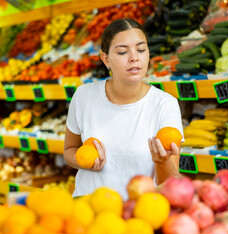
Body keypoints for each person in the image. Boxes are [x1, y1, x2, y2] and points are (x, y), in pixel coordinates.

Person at [64, 18, 184, 199]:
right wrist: (84, 162)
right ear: (106, 59)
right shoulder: (84, 96)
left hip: (138, 214)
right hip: (88, 211)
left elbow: (169, 184)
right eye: (122, 52)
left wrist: (162, 161)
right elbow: (69, 150)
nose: (134, 57)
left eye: (141, 50)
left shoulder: (165, 105)